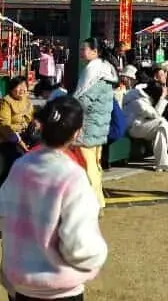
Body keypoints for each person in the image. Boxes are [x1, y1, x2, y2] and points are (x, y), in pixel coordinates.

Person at [0, 96, 108, 301]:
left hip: (21, 287)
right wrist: (98, 255)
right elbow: (80, 247)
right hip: (61, 289)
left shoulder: (20, 167)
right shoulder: (73, 177)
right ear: (77, 133)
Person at [72, 37, 116, 211]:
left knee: (88, 165)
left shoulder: (94, 72)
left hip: (88, 126)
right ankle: (98, 200)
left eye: (85, 49)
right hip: (98, 125)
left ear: (95, 52)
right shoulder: (105, 71)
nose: (82, 52)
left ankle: (95, 202)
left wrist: (69, 105)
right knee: (95, 164)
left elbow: (84, 100)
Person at [0, 76, 35, 201]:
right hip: (6, 140)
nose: (22, 89)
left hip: (24, 138)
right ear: (11, 89)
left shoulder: (27, 101)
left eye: (24, 86)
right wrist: (20, 140)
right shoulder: (5, 102)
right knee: (16, 161)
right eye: (18, 87)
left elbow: (32, 120)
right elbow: (4, 125)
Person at [122, 74, 168, 172]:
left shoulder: (141, 93)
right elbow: (156, 115)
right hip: (133, 127)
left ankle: (162, 163)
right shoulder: (138, 101)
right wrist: (163, 98)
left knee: (160, 130)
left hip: (140, 124)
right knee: (161, 122)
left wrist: (163, 96)